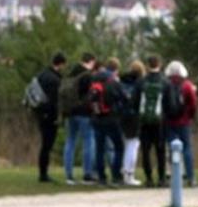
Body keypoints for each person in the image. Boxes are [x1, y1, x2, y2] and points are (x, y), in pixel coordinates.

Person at [91, 57, 127, 186]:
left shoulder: (94, 80)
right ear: (116, 70)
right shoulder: (113, 82)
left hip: (96, 119)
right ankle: (116, 175)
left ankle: (101, 177)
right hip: (111, 119)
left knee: (99, 149)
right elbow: (124, 98)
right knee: (119, 147)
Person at [62, 52, 98, 184]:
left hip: (70, 112)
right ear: (92, 61)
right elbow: (90, 96)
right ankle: (87, 174)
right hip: (84, 113)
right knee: (88, 141)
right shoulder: (88, 76)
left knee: (70, 141)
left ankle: (69, 175)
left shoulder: (72, 73)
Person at [163, 60, 198, 187]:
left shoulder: (166, 84)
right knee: (187, 149)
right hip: (184, 121)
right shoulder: (187, 85)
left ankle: (173, 176)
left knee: (172, 150)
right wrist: (190, 115)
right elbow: (193, 103)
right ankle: (191, 177)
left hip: (170, 122)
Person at [32, 52, 66, 183]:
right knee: (47, 145)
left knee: (44, 144)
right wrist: (57, 116)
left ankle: (43, 172)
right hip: (49, 116)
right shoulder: (54, 80)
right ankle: (43, 174)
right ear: (61, 64)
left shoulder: (42, 74)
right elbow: (54, 101)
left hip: (40, 114)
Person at [137, 55, 167, 187]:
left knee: (145, 150)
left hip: (144, 121)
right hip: (160, 120)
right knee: (160, 150)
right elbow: (170, 103)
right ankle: (161, 178)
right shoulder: (165, 82)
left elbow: (134, 101)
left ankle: (148, 178)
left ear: (147, 65)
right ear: (159, 64)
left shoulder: (141, 82)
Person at [119, 60, 146, 186]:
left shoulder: (121, 81)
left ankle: (123, 170)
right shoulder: (141, 83)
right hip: (134, 116)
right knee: (133, 145)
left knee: (125, 144)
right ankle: (129, 173)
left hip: (122, 116)